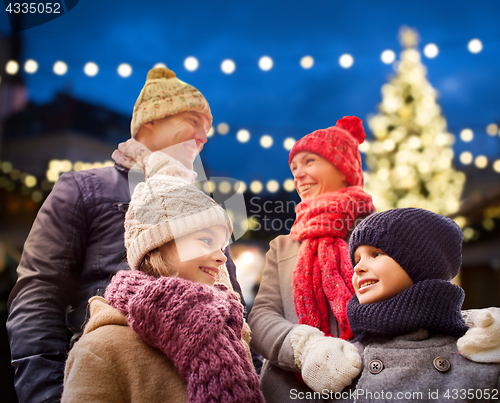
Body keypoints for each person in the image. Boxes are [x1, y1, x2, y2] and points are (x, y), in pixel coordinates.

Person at [7, 67, 245, 403]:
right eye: (193, 121)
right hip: (112, 377)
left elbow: (231, 297)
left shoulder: (204, 207)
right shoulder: (83, 189)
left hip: (206, 379)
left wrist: (250, 367)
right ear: (151, 122)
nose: (203, 135)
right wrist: (45, 394)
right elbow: (40, 292)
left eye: (207, 129)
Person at [61, 171, 264, 403]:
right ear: (157, 246)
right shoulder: (101, 350)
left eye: (221, 245)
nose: (221, 257)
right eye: (206, 241)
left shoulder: (231, 331)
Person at [248, 116, 376, 402]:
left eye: (309, 162)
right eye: (294, 167)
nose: (299, 174)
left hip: (369, 385)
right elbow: (261, 317)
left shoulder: (380, 233)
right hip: (288, 389)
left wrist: (353, 356)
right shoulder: (283, 246)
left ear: (344, 169)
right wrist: (305, 349)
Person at [336, 208, 500, 402]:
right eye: (356, 259)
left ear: (423, 264)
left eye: (377, 253)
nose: (358, 267)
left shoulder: (482, 355)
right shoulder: (341, 363)